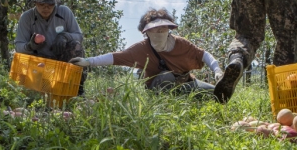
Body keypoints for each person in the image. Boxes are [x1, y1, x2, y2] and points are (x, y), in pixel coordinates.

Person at [70, 9, 223, 97]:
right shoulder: (141, 49)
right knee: (167, 77)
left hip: (185, 82)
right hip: (157, 87)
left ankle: (190, 94)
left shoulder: (181, 44)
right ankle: (171, 102)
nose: (159, 33)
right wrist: (88, 61)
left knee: (218, 94)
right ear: (147, 32)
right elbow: (115, 57)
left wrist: (217, 70)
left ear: (169, 30)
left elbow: (203, 55)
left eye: (163, 30)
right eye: (155, 30)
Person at [15, 0, 86, 93]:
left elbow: (79, 36)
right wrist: (30, 45)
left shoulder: (64, 12)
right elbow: (18, 46)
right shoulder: (27, 18)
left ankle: (77, 90)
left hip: (61, 60)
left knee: (75, 46)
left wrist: (64, 36)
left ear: (55, 4)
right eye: (42, 4)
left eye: (50, 5)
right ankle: (28, 92)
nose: (46, 8)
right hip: (38, 62)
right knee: (16, 58)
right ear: (35, 3)